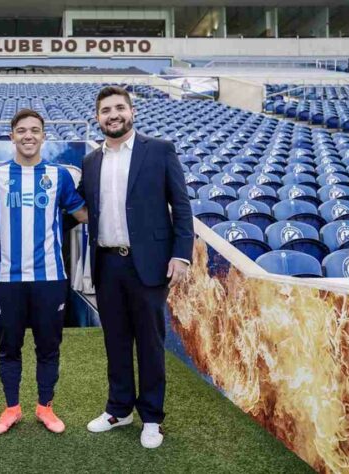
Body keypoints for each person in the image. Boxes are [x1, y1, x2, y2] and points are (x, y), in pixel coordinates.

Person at [78, 86, 194, 448]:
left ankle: (152, 418)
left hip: (149, 264)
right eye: (105, 110)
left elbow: (182, 205)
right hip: (107, 262)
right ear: (97, 118)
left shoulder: (159, 150)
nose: (113, 115)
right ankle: (119, 408)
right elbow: (81, 207)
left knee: (150, 342)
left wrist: (181, 254)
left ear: (132, 112)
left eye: (119, 108)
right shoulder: (91, 161)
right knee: (115, 340)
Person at [0, 109, 88, 435]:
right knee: (9, 347)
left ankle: (45, 408)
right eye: (22, 130)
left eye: (35, 130)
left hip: (50, 279)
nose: (28, 135)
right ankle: (11, 408)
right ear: (12, 135)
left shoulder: (59, 176)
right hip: (8, 280)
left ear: (43, 136)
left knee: (48, 347)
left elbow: (82, 214)